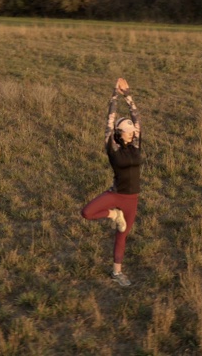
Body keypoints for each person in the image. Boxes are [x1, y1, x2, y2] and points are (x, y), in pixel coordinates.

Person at [81, 78, 142, 287]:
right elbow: (109, 119)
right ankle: (113, 215)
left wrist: (127, 94)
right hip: (116, 194)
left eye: (132, 129)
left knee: (122, 234)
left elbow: (136, 116)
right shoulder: (112, 147)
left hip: (132, 198)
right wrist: (114, 96)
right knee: (87, 213)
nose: (133, 131)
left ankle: (117, 272)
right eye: (128, 129)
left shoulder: (136, 144)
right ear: (119, 133)